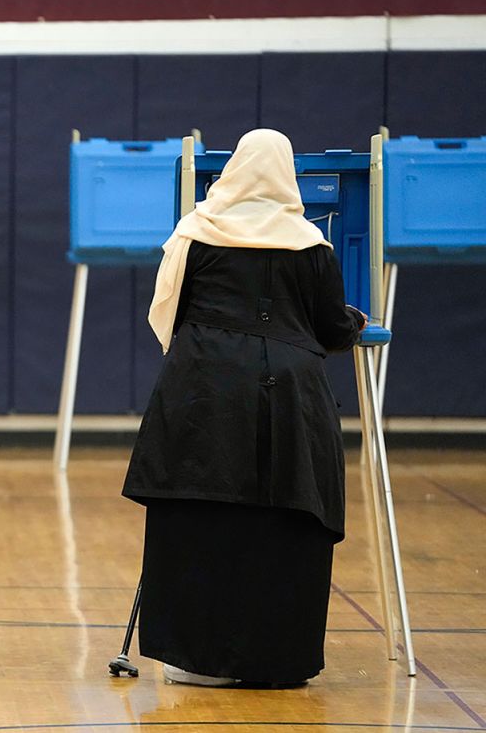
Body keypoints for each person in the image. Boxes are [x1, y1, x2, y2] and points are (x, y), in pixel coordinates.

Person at [122, 128, 366, 687]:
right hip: (294, 395)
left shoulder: (197, 233)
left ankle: (196, 660)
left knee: (200, 513)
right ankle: (277, 660)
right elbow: (331, 328)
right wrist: (351, 322)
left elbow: (167, 313)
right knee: (286, 518)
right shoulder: (311, 244)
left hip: (203, 387)